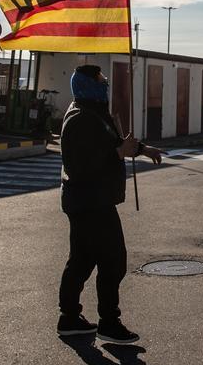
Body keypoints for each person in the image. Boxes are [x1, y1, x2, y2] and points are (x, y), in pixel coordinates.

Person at [57, 64, 162, 344]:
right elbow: (80, 166)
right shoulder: (80, 118)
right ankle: (109, 323)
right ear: (88, 85)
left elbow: (113, 144)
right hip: (91, 202)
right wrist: (118, 152)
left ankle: (69, 318)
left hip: (89, 200)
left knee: (81, 260)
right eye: (101, 80)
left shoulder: (93, 113)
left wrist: (141, 149)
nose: (105, 84)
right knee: (113, 261)